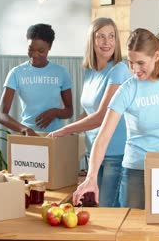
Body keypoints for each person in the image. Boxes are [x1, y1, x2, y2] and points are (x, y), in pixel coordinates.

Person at [72, 28, 159, 208]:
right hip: (135, 172)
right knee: (133, 232)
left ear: (156, 56)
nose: (135, 69)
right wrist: (91, 177)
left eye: (140, 63)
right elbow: (103, 137)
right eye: (131, 62)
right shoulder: (127, 89)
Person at [48, 18, 130, 207]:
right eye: (100, 36)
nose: (106, 42)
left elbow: (102, 116)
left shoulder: (119, 70)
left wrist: (66, 129)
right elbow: (88, 111)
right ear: (91, 41)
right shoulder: (90, 71)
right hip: (94, 153)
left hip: (115, 153)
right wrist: (70, 133)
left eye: (111, 36)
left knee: (107, 210)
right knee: (96, 208)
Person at [0, 24, 73, 135]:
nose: (34, 54)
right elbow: (1, 115)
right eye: (30, 49)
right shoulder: (16, 73)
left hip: (55, 136)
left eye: (40, 50)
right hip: (28, 135)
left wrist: (55, 112)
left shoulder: (61, 72)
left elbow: (69, 111)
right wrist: (24, 129)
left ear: (50, 47)